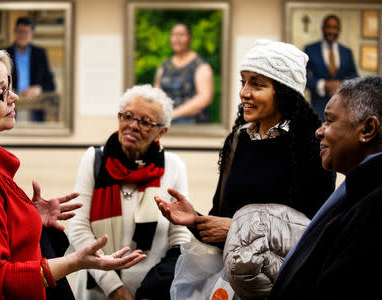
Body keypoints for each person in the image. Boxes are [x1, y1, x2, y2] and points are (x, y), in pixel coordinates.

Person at [0, 45, 146, 300]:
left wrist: (23, 218)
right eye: (1, 92)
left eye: (10, 86)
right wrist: (74, 262)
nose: (14, 97)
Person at [155, 39, 335, 249]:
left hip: (286, 279)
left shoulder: (314, 147)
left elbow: (314, 233)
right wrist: (194, 220)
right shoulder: (238, 140)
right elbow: (220, 223)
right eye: (243, 82)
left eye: (256, 84)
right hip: (231, 277)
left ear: (285, 91)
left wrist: (237, 229)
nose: (244, 93)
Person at [68, 84, 191, 300]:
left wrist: (154, 289)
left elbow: (180, 238)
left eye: (145, 122)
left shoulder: (174, 167)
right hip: (97, 290)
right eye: (128, 116)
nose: (133, 126)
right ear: (119, 118)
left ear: (162, 131)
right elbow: (79, 229)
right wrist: (113, 287)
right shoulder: (94, 160)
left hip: (152, 292)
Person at [268, 76, 382, 299]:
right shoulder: (358, 190)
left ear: (368, 129)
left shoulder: (374, 206)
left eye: (329, 121)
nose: (319, 131)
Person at [154, 22, 214, 124]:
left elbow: (204, 98)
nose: (177, 39)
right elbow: (155, 94)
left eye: (181, 35)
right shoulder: (164, 66)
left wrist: (173, 114)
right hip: (165, 122)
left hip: (192, 123)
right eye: (174, 35)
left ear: (190, 38)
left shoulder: (201, 65)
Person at [304, 14, 358, 121]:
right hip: (318, 109)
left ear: (339, 30)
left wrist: (343, 84)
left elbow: (355, 76)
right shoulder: (310, 49)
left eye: (335, 28)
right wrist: (323, 84)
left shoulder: (347, 52)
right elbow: (303, 78)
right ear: (323, 28)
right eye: (328, 27)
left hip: (343, 108)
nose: (331, 31)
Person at [5, 17, 56, 122]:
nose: (23, 35)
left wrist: (39, 88)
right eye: (20, 31)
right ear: (15, 32)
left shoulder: (40, 54)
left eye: (27, 32)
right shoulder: (4, 53)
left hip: (35, 108)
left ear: (31, 35)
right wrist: (8, 89)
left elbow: (51, 84)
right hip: (10, 107)